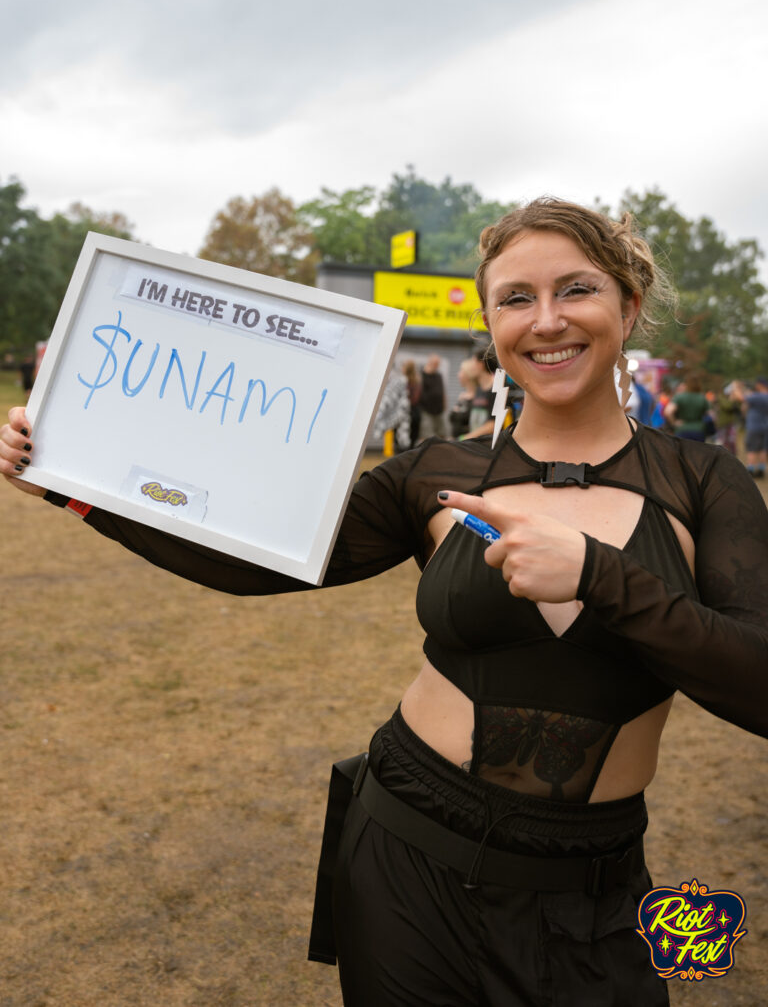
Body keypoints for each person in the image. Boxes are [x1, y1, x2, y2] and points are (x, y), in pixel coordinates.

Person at [3, 198, 767, 1007]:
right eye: (515, 298)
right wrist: (79, 489)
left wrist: (600, 576)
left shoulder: (703, 482)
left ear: (628, 305)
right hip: (407, 853)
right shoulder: (435, 472)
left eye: (575, 290)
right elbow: (264, 563)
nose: (546, 321)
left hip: (592, 885)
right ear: (489, 322)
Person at [732, 376, 768, 478]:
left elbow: (741, 398)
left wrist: (736, 387)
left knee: (752, 449)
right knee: (762, 449)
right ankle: (761, 470)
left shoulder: (757, 396)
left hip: (754, 427)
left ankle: (751, 470)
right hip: (765, 426)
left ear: (760, 385)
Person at [662, 374, 711, 441]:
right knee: (697, 451)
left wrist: (674, 422)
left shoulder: (680, 397)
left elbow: (668, 412)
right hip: (699, 430)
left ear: (686, 384)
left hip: (682, 430)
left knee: (682, 451)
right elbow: (711, 415)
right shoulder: (702, 398)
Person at [448, 357, 478, 439]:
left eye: (461, 371)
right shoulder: (462, 396)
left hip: (467, 442)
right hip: (456, 441)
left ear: (468, 374)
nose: (458, 374)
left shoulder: (477, 398)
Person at [418, 354, 446, 438]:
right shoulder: (421, 375)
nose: (437, 366)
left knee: (442, 434)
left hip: (439, 411)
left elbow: (442, 392)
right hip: (426, 411)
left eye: (438, 364)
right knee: (427, 435)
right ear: (430, 362)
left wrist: (444, 405)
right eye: (435, 364)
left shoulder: (438, 376)